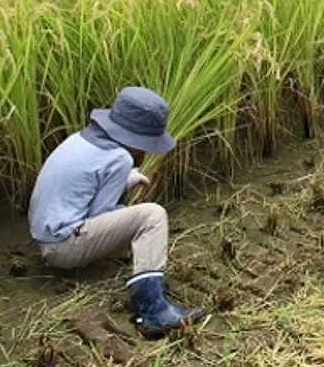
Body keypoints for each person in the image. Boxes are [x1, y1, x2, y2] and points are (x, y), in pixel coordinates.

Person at [28, 87, 205, 338]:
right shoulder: (120, 158)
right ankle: (153, 311)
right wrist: (125, 184)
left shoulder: (81, 139)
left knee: (134, 216)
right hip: (63, 248)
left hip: (46, 238)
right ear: (137, 139)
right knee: (152, 216)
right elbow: (100, 215)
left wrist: (124, 182)